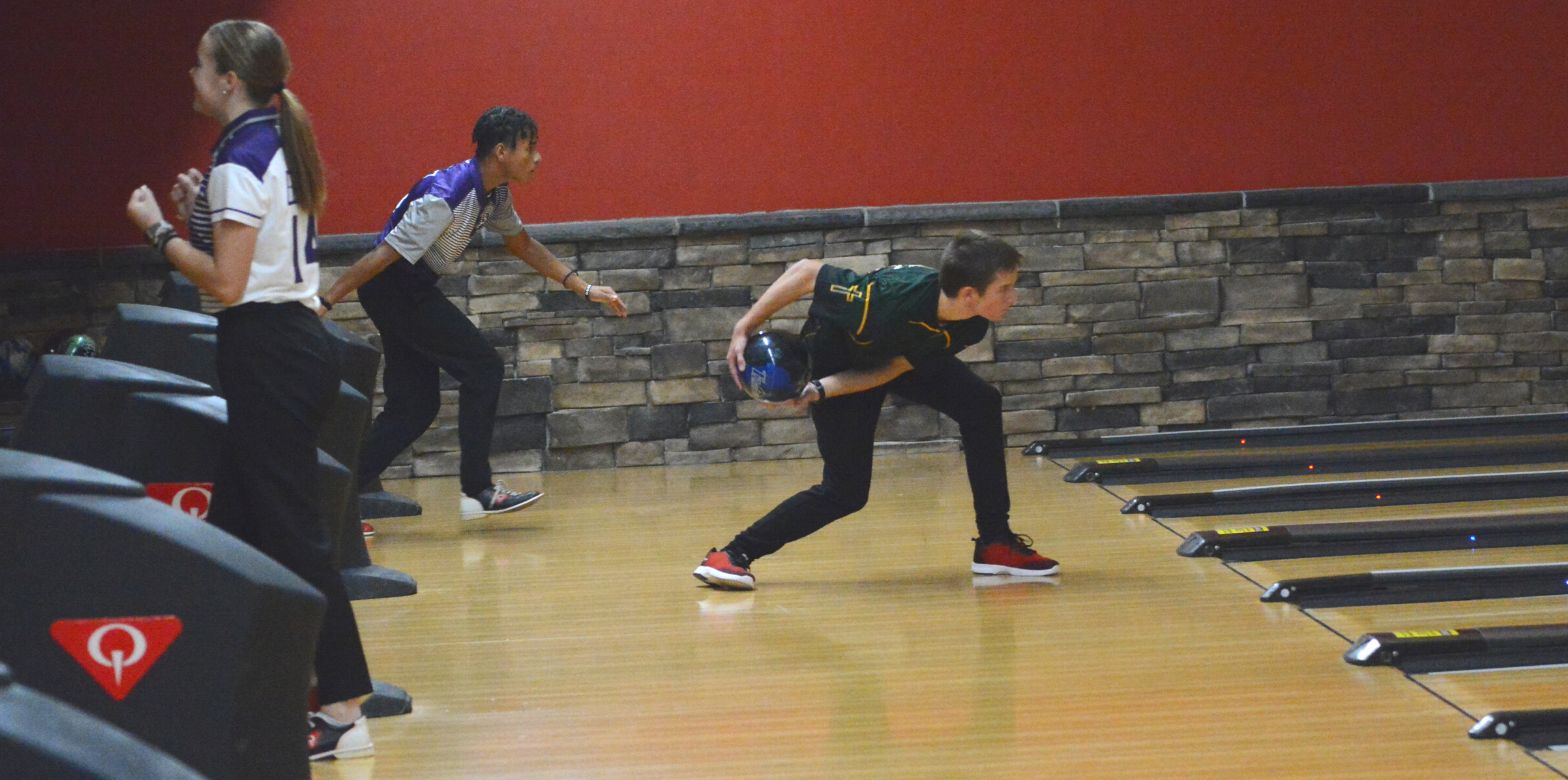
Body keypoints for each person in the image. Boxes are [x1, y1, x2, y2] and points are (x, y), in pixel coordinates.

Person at [125, 19, 373, 761]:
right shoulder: (267, 139)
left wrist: (153, 231)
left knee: (293, 535)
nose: (190, 76)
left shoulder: (245, 152)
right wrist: (200, 209)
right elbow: (246, 254)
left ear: (229, 80)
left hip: (271, 352)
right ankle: (239, 681)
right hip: (284, 348)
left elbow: (226, 282)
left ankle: (343, 708)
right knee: (234, 529)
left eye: (199, 65)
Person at [694, 230, 1060, 590]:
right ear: (969, 294)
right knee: (845, 492)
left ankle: (996, 542)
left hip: (891, 356)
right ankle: (731, 555)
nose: (1014, 297)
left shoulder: (972, 323)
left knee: (980, 403)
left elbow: (895, 369)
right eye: (1005, 289)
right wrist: (748, 329)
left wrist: (821, 393)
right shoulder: (882, 299)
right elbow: (806, 272)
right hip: (836, 357)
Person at [318, 107, 628, 516]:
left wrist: (584, 287)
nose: (538, 158)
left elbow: (523, 244)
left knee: (414, 405)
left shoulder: (494, 192)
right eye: (529, 148)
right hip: (394, 287)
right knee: (483, 368)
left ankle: (339, 490)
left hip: (404, 288)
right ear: (501, 151)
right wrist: (325, 300)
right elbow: (382, 255)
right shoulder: (448, 196)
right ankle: (478, 490)